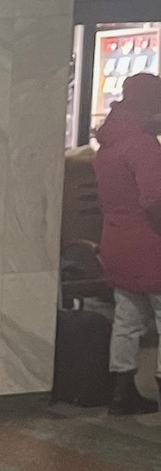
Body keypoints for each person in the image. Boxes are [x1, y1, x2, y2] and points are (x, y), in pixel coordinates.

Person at [93, 67, 161, 416]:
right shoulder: (143, 146)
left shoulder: (108, 145)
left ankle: (121, 393)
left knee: (128, 318)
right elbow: (154, 200)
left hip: (115, 240)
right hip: (149, 243)